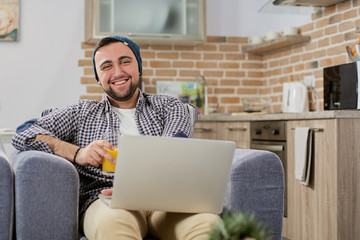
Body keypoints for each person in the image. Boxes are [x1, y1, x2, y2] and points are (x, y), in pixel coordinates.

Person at [12, 35, 220, 240]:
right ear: (98, 77)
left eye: (125, 61)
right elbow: (24, 132)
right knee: (113, 227)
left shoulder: (170, 107)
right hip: (106, 201)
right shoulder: (81, 112)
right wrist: (78, 153)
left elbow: (175, 150)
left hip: (167, 203)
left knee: (209, 225)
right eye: (106, 66)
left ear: (138, 67)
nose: (118, 72)